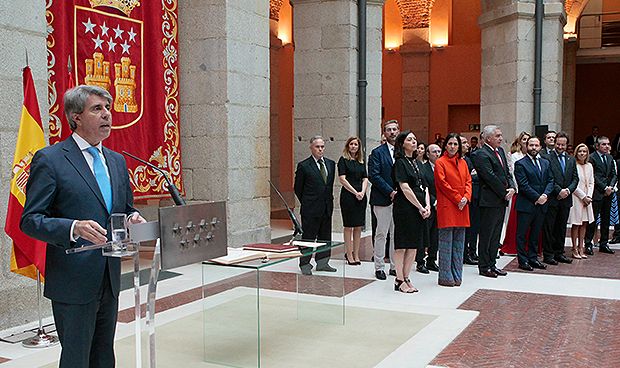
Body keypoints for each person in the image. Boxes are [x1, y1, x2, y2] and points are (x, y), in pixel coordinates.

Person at [20, 85, 146, 368]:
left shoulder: (116, 161)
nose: (107, 115)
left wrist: (132, 218)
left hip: (110, 277)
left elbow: (124, 209)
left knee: (104, 356)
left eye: (108, 108)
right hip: (73, 280)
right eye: (97, 109)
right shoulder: (50, 159)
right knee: (77, 359)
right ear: (76, 116)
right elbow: (30, 220)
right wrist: (72, 227)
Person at [471, 125, 515, 278]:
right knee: (487, 234)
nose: (501, 138)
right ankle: (484, 266)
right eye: (497, 136)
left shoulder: (501, 152)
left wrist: (512, 187)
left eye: (501, 135)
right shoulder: (480, 154)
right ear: (488, 138)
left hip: (501, 199)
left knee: (496, 234)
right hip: (489, 200)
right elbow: (489, 177)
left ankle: (492, 264)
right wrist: (504, 192)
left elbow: (507, 172)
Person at [392, 131, 430, 293]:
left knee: (413, 245)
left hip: (419, 208)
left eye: (415, 139)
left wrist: (427, 205)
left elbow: (425, 186)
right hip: (405, 208)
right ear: (402, 144)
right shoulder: (400, 163)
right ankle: (399, 279)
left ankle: (407, 277)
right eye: (410, 139)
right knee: (402, 245)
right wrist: (420, 206)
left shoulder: (418, 163)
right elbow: (405, 187)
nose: (414, 142)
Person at [294, 135, 337, 275]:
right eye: (317, 147)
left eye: (322, 146)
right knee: (308, 238)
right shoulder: (304, 166)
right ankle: (305, 264)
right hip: (310, 209)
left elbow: (328, 186)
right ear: (311, 148)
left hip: (326, 207)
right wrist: (308, 202)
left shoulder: (330, 164)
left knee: (325, 237)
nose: (320, 149)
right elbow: (298, 188)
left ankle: (323, 262)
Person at [434, 133, 472, 286]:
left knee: (459, 243)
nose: (453, 147)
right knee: (446, 242)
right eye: (450, 144)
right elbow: (443, 184)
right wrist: (458, 198)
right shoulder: (440, 162)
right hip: (448, 205)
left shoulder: (463, 162)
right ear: (445, 145)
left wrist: (466, 198)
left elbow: (469, 181)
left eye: (455, 144)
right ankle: (445, 275)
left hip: (462, 205)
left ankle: (457, 274)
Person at [513, 136, 554, 271]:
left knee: (536, 234)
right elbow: (523, 185)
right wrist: (537, 197)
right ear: (526, 147)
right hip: (526, 204)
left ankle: (533, 258)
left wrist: (545, 195)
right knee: (522, 234)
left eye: (536, 145)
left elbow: (551, 181)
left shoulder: (546, 163)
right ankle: (523, 260)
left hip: (542, 205)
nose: (534, 148)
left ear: (540, 147)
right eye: (531, 145)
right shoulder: (520, 163)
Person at [541, 132, 579, 265]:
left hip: (566, 200)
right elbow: (549, 177)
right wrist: (559, 190)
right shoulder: (547, 158)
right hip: (553, 198)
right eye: (558, 144)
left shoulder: (571, 159)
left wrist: (568, 190)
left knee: (561, 227)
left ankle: (559, 253)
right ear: (554, 143)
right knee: (549, 228)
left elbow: (575, 178)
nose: (560, 147)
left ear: (566, 145)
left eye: (563, 144)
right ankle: (548, 254)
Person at [368, 120, 400, 280]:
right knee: (381, 233)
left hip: (400, 200)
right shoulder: (377, 152)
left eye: (394, 129)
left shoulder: (402, 152)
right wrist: (390, 191)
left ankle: (395, 266)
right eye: (388, 130)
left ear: (398, 131)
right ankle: (379, 266)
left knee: (396, 234)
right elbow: (374, 175)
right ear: (384, 133)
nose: (392, 132)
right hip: (382, 199)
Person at [584, 136, 617, 255]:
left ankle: (604, 243)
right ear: (597, 146)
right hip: (597, 193)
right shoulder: (592, 158)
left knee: (606, 220)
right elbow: (593, 176)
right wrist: (604, 187)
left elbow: (614, 174)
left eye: (608, 144)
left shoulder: (610, 157)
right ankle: (588, 243)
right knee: (592, 220)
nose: (607, 146)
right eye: (604, 144)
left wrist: (611, 187)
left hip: (608, 194)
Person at [338, 137, 368, 265]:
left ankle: (356, 254)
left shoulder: (361, 161)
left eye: (356, 144)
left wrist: (362, 192)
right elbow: (342, 179)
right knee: (349, 226)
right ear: (347, 146)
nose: (354, 146)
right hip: (348, 196)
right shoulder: (343, 160)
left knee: (358, 226)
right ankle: (349, 254)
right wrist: (355, 192)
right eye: (351, 144)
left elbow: (365, 178)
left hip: (361, 196)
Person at [502, 131, 531, 255]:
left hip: (532, 194)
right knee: (516, 222)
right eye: (524, 139)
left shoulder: (536, 156)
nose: (526, 142)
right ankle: (513, 246)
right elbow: (513, 174)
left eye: (528, 140)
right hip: (519, 192)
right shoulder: (514, 156)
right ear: (520, 142)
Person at [416, 144, 440, 274]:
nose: (437, 154)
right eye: (434, 152)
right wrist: (433, 201)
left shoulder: (442, 167)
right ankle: (420, 261)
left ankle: (432, 260)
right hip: (428, 204)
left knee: (435, 234)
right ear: (428, 154)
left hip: (441, 206)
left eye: (438, 151)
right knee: (424, 233)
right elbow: (424, 188)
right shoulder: (423, 168)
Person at [568, 143, 595, 258]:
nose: (582, 153)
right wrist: (583, 196)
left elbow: (591, 182)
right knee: (576, 223)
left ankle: (581, 248)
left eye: (584, 151)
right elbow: (572, 183)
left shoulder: (589, 166)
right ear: (576, 153)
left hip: (587, 199)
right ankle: (574, 248)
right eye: (580, 151)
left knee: (584, 223)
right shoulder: (573, 165)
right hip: (577, 197)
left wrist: (588, 196)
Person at [461, 136, 479, 265]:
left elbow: (475, 175)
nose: (467, 145)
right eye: (464, 143)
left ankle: (470, 252)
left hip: (471, 197)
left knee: (472, 227)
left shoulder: (469, 159)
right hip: (459, 199)